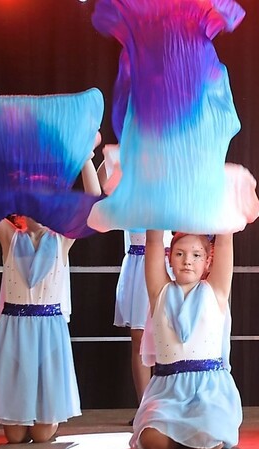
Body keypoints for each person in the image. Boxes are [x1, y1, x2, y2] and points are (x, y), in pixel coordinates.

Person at [0, 155, 101, 443]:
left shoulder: (62, 238)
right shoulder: (9, 237)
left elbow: (94, 201)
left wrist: (87, 157)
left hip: (49, 331)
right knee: (14, 436)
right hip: (14, 330)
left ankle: (47, 415)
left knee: (41, 435)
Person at [131, 230, 241, 449]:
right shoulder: (159, 292)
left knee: (210, 439)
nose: (188, 261)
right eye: (179, 254)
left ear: (209, 262)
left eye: (197, 255)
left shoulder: (216, 291)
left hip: (209, 392)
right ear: (169, 258)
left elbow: (225, 240)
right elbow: (153, 240)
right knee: (152, 440)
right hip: (167, 392)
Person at [97, 147, 172, 423]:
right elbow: (102, 184)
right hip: (136, 262)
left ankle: (166, 405)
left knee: (166, 338)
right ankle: (144, 408)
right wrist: (111, 155)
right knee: (139, 339)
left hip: (164, 261)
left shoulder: (168, 175)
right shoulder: (128, 177)